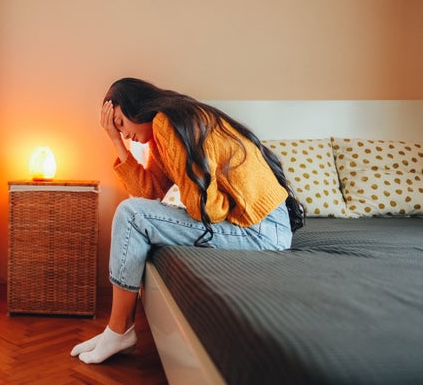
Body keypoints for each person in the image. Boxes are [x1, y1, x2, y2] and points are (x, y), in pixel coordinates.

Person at [71, 77, 305, 364]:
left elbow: (208, 210)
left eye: (121, 123)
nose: (125, 133)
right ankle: (117, 331)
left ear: (136, 108)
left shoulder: (168, 124)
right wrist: (115, 140)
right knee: (134, 211)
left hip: (262, 229)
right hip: (265, 225)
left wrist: (188, 185)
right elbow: (149, 191)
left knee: (130, 214)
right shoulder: (164, 130)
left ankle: (118, 330)